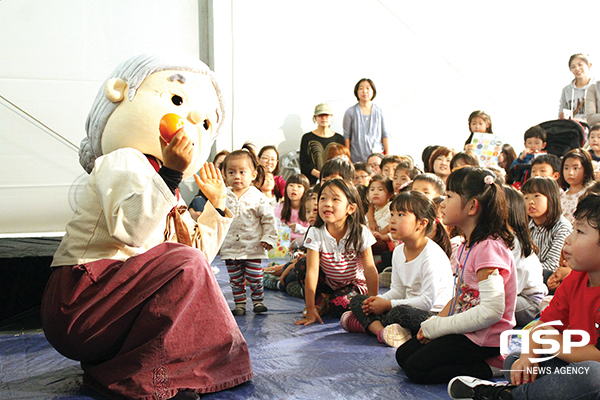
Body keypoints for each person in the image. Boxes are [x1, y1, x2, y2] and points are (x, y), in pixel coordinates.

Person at [41, 53, 252, 400]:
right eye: (177, 101)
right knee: (184, 261)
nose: (190, 125)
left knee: (189, 264)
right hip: (81, 301)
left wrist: (218, 205)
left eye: (204, 124)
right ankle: (148, 379)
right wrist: (169, 175)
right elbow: (133, 230)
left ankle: (123, 370)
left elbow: (195, 261)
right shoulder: (123, 160)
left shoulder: (168, 191)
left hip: (115, 309)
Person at [448, 193, 600, 400]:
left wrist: (549, 342)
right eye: (573, 229)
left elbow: (596, 357)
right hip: (571, 363)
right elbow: (544, 324)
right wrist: (530, 355)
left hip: (590, 368)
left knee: (592, 376)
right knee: (516, 362)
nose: (569, 239)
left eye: (580, 231)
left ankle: (507, 395)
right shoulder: (576, 279)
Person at [395, 167, 517, 385]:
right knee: (403, 356)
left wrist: (439, 328)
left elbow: (492, 311)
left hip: (486, 338)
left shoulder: (488, 247)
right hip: (467, 328)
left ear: (472, 206)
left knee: (417, 369)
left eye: (450, 196)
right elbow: (461, 297)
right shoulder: (466, 245)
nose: (442, 203)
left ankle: (493, 366)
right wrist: (433, 324)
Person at [342, 191, 453, 348]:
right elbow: (398, 290)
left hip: (432, 315)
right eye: (392, 214)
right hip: (404, 304)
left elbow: (427, 302)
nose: (392, 220)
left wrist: (387, 305)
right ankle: (383, 332)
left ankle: (366, 325)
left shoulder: (431, 255)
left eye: (401, 215)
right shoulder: (399, 251)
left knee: (400, 313)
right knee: (359, 300)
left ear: (422, 224)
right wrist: (378, 301)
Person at [294, 179, 379, 325]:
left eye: (335, 199)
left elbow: (370, 269)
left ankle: (326, 302)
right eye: (323, 198)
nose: (327, 203)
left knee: (338, 305)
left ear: (350, 209)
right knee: (301, 265)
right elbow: (312, 272)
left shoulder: (360, 232)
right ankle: (320, 301)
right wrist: (309, 309)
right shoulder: (315, 232)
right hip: (328, 283)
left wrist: (373, 303)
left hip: (354, 285)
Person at [220, 144, 277, 316]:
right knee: (235, 279)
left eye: (242, 172)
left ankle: (258, 300)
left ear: (253, 175)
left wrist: (269, 237)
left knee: (255, 276)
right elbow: (215, 219)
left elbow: (268, 219)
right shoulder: (222, 196)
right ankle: (240, 304)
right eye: (231, 172)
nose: (237, 177)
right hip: (231, 248)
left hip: (253, 247)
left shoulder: (257, 196)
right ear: (224, 174)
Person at [502, 185, 548, 326]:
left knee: (490, 307)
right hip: (510, 295)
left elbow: (513, 288)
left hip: (529, 300)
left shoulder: (514, 243)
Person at [522, 177, 572, 287]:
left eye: (536, 196)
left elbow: (552, 266)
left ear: (551, 197)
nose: (530, 201)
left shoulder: (562, 227)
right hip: (526, 279)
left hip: (547, 281)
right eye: (526, 197)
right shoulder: (526, 226)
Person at [343, 78, 390, 163]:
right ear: (357, 92)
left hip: (377, 158)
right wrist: (348, 156)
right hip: (356, 157)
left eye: (368, 88)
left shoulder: (380, 111)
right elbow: (347, 136)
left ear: (373, 91)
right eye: (361, 88)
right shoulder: (350, 112)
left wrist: (387, 154)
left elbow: (385, 134)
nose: (364, 91)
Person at [299, 103, 345, 185]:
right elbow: (303, 163)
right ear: (315, 118)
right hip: (312, 181)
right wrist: (319, 174)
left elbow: (343, 162)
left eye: (326, 115)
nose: (323, 118)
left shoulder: (339, 139)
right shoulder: (307, 138)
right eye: (320, 115)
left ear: (331, 117)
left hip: (335, 180)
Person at [189, 149, 230, 221]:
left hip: (224, 215)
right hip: (207, 214)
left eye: (226, 164)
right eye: (220, 164)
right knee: (198, 200)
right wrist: (192, 212)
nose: (223, 166)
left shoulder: (234, 185)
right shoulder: (209, 184)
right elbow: (197, 201)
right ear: (213, 166)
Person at [559, 148, 595, 224]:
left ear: (586, 171)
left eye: (575, 168)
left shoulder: (588, 195)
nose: (570, 173)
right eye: (566, 168)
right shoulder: (560, 195)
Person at [275, 173, 310, 241]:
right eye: (291, 185)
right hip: (284, 244)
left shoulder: (309, 208)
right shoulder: (281, 207)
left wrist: (300, 229)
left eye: (299, 186)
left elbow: (314, 231)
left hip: (305, 242)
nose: (294, 189)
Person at [558, 53, 592, 122]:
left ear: (588, 65)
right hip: (573, 130)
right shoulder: (567, 90)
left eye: (580, 65)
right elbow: (561, 116)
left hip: (594, 130)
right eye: (573, 67)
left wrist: (583, 121)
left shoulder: (596, 87)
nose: (577, 69)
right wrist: (562, 116)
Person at [366, 175, 394, 254]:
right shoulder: (370, 210)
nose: (375, 193)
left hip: (386, 240)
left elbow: (392, 224)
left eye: (380, 189)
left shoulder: (391, 207)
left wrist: (380, 234)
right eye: (372, 189)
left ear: (390, 194)